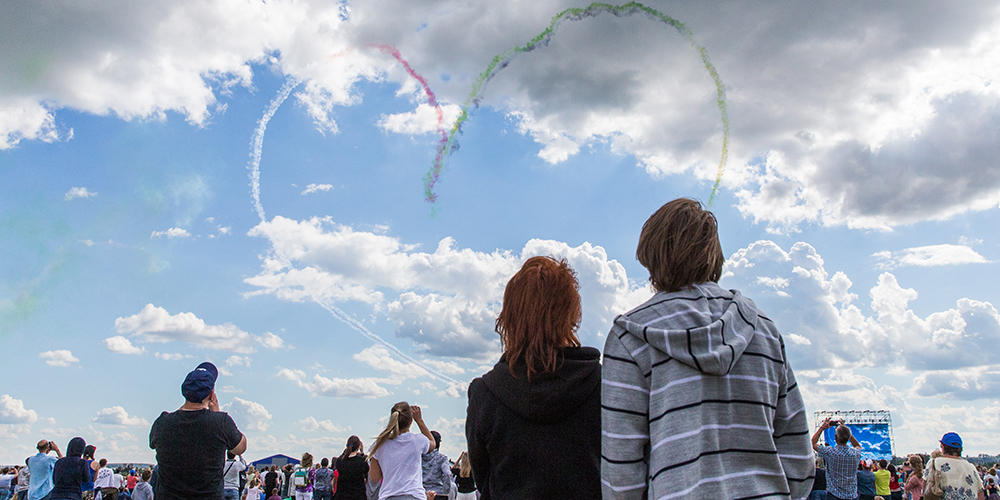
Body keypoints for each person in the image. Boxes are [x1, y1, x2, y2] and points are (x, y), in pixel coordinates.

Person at [602, 198, 814, 500]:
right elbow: (797, 451)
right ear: (714, 255)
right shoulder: (764, 331)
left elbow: (621, 468)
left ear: (651, 255)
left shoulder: (630, 338)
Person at [467, 256, 600, 499]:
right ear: (570, 313)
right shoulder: (601, 384)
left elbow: (483, 477)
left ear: (510, 317)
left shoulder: (485, 393)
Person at [149, 361, 248, 499]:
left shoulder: (162, 422)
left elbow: (152, 444)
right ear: (211, 393)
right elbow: (240, 448)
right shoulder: (221, 422)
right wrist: (217, 412)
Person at [368, 402, 435, 500]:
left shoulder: (379, 443)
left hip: (388, 495)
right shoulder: (418, 440)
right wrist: (420, 420)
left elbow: (374, 477)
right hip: (414, 495)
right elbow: (432, 443)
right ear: (410, 421)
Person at [812, 419, 862, 500]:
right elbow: (857, 445)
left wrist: (822, 428)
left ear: (835, 437)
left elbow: (813, 443)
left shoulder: (830, 452)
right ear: (848, 437)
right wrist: (847, 433)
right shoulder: (855, 454)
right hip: (852, 496)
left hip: (834, 495)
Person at [926, 432, 983, 500]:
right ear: (960, 449)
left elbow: (925, 488)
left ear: (943, 446)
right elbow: (980, 493)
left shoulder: (935, 463)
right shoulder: (971, 467)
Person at [420, 431, 451, 499]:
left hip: (421, 493)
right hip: (437, 494)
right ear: (439, 443)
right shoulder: (442, 458)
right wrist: (446, 491)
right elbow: (447, 474)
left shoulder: (419, 457)